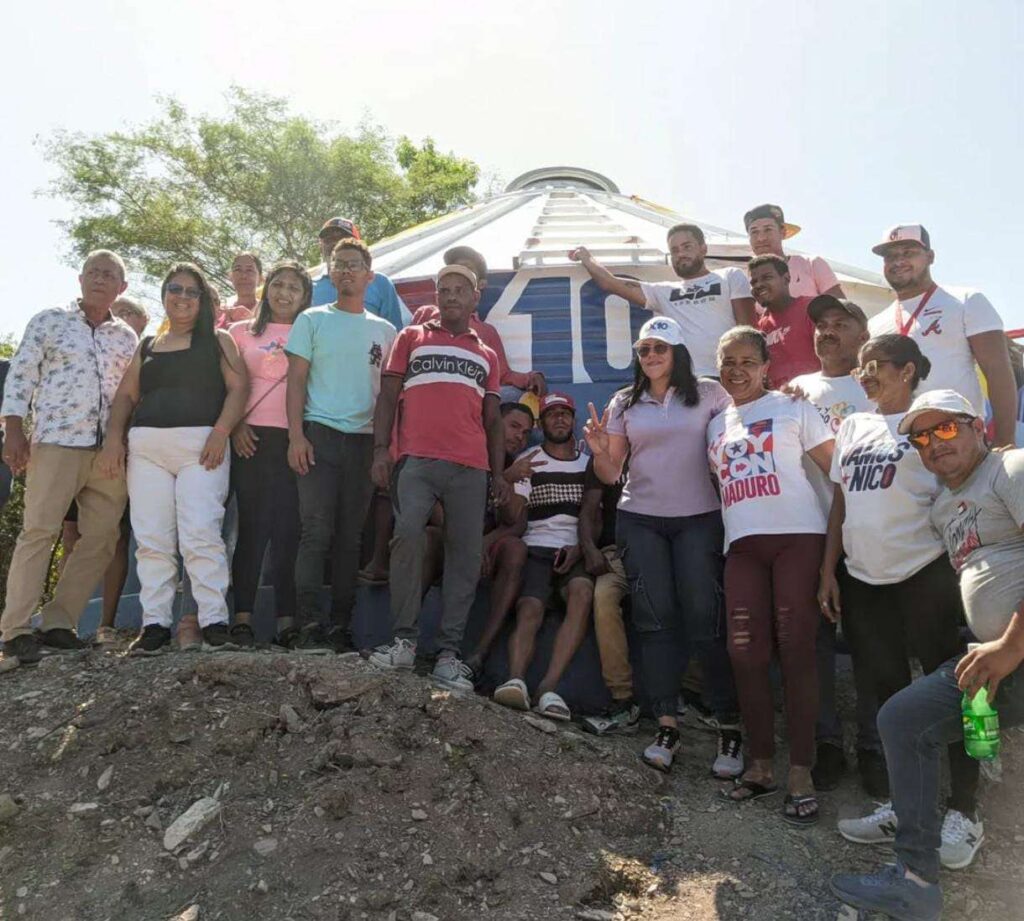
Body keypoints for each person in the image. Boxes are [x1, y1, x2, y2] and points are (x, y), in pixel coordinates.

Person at [831, 389, 1024, 920]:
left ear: (977, 426)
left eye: (945, 429)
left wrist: (1012, 643)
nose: (934, 444)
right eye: (921, 437)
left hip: (1014, 650)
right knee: (902, 717)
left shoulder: (1011, 468)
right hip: (991, 656)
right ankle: (915, 880)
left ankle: (967, 817)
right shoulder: (942, 505)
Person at [822, 340, 980, 870]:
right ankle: (900, 806)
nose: (863, 375)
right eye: (860, 365)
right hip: (864, 580)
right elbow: (842, 498)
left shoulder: (930, 426)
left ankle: (964, 813)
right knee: (885, 701)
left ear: (907, 370)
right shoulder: (852, 426)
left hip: (926, 575)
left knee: (956, 697)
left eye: (875, 367)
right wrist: (829, 568)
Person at [585, 316, 743, 774]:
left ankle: (728, 728)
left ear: (678, 352)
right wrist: (599, 451)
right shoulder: (624, 401)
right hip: (641, 521)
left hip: (699, 518)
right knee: (654, 621)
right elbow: (612, 474)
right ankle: (667, 723)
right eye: (644, 350)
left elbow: (746, 424)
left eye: (660, 348)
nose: (651, 356)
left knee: (705, 617)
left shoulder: (712, 393)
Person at [707, 326, 834, 825]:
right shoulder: (716, 425)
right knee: (745, 654)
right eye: (727, 362)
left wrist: (832, 559)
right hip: (742, 546)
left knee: (798, 649)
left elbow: (836, 471)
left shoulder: (794, 407)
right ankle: (760, 765)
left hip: (799, 538)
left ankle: (801, 770)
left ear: (765, 366)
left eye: (746, 362)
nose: (736, 371)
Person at [368, 264, 510, 691]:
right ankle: (403, 643)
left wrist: (499, 474)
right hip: (416, 461)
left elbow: (493, 420)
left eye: (459, 290)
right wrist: (381, 451)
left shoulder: (486, 353)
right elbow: (389, 395)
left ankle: (449, 655)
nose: (450, 296)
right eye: (443, 289)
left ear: (474, 299)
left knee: (464, 557)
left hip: (471, 466)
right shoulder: (411, 337)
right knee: (407, 536)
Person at [98, 263, 248, 655]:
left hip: (202, 448)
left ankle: (214, 621)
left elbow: (238, 389)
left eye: (191, 292)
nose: (182, 297)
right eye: (175, 289)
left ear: (203, 301)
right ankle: (154, 626)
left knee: (201, 532)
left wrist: (221, 432)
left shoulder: (219, 341)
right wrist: (114, 439)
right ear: (164, 294)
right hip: (146, 449)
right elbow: (127, 397)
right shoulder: (147, 345)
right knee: (152, 539)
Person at [0, 251, 138, 665]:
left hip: (107, 451)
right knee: (39, 532)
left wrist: (123, 441)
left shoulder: (126, 338)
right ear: (80, 280)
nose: (100, 279)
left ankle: (59, 622)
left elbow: (128, 395)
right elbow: (21, 375)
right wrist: (13, 431)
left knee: (101, 538)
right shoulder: (49, 321)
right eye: (93, 272)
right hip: (56, 442)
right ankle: (15, 630)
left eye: (109, 275)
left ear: (122, 287)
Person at [285, 240, 397, 653]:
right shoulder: (311, 320)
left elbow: (389, 396)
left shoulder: (386, 331)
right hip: (318, 436)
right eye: (339, 265)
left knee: (351, 538)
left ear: (370, 277)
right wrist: (296, 436)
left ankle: (340, 627)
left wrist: (384, 448)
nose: (347, 271)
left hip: (365, 442)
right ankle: (309, 626)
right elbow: (296, 381)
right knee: (315, 532)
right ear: (331, 275)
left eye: (355, 265)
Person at [789, 296, 880, 792]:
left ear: (862, 331)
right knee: (812, 646)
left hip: (868, 532)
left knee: (871, 644)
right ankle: (824, 742)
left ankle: (874, 745)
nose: (826, 332)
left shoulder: (878, 385)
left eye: (839, 324)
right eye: (820, 325)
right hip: (808, 530)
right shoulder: (796, 389)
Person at [868, 224, 1017, 447]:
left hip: (957, 436)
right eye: (890, 256)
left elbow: (998, 371)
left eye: (908, 252)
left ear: (930, 256)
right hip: (898, 443)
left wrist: (1005, 441)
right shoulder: (875, 323)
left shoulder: (966, 300)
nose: (898, 262)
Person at [491, 393, 593, 720]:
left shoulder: (588, 462)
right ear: (543, 423)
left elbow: (597, 516)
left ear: (573, 420)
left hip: (573, 549)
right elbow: (514, 515)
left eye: (565, 414)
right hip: (536, 547)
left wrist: (581, 546)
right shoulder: (529, 459)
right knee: (530, 607)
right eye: (552, 414)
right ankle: (516, 681)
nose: (560, 419)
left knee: (582, 593)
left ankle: (549, 688)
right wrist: (510, 478)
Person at [228, 261, 313, 649]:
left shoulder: (314, 330)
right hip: (250, 439)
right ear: (266, 288)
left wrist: (301, 437)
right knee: (250, 529)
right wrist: (235, 426)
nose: (284, 293)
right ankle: (242, 618)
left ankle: (286, 621)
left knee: (288, 532)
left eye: (294, 287)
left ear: (305, 296)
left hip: (295, 440)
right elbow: (225, 386)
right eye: (278, 284)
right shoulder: (239, 332)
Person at [569, 224, 757, 379]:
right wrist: (586, 257)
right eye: (674, 250)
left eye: (687, 246)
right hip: (687, 383)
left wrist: (747, 374)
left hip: (729, 378)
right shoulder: (663, 291)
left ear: (703, 248)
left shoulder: (730, 276)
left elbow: (748, 331)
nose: (680, 254)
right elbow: (610, 283)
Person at [411, 246, 547, 394]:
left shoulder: (486, 331)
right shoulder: (425, 313)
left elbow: (502, 375)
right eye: (453, 269)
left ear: (481, 285)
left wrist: (531, 378)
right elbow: (400, 366)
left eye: (467, 270)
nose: (458, 275)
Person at [463, 401, 535, 675]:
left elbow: (515, 523)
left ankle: (479, 654)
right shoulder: (468, 450)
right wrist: (501, 478)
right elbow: (439, 511)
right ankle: (404, 642)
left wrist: (483, 543)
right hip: (453, 540)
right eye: (514, 426)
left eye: (526, 432)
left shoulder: (520, 464)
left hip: (487, 548)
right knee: (428, 539)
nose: (520, 436)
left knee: (515, 549)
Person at [578, 452, 632, 736]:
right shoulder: (606, 455)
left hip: (661, 548)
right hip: (615, 552)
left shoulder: (666, 444)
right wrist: (590, 548)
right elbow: (588, 508)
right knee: (603, 598)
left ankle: (693, 694)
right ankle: (622, 700)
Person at [309, 217, 410, 329]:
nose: (334, 244)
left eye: (342, 239)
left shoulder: (380, 283)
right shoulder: (308, 288)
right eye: (328, 239)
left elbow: (395, 333)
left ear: (358, 247)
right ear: (320, 247)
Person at [743, 203, 843, 299]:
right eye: (754, 232)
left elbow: (842, 310)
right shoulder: (743, 281)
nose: (761, 238)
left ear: (782, 232)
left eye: (768, 229)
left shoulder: (811, 264)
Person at [750, 254, 819, 388]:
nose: (758, 285)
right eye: (754, 282)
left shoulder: (811, 308)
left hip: (815, 399)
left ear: (786, 278)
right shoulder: (759, 328)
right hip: (779, 404)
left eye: (767, 277)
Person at [221, 252, 264, 323]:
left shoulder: (268, 311)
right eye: (238, 270)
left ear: (260, 278)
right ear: (230, 276)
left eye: (249, 270)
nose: (243, 276)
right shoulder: (221, 310)